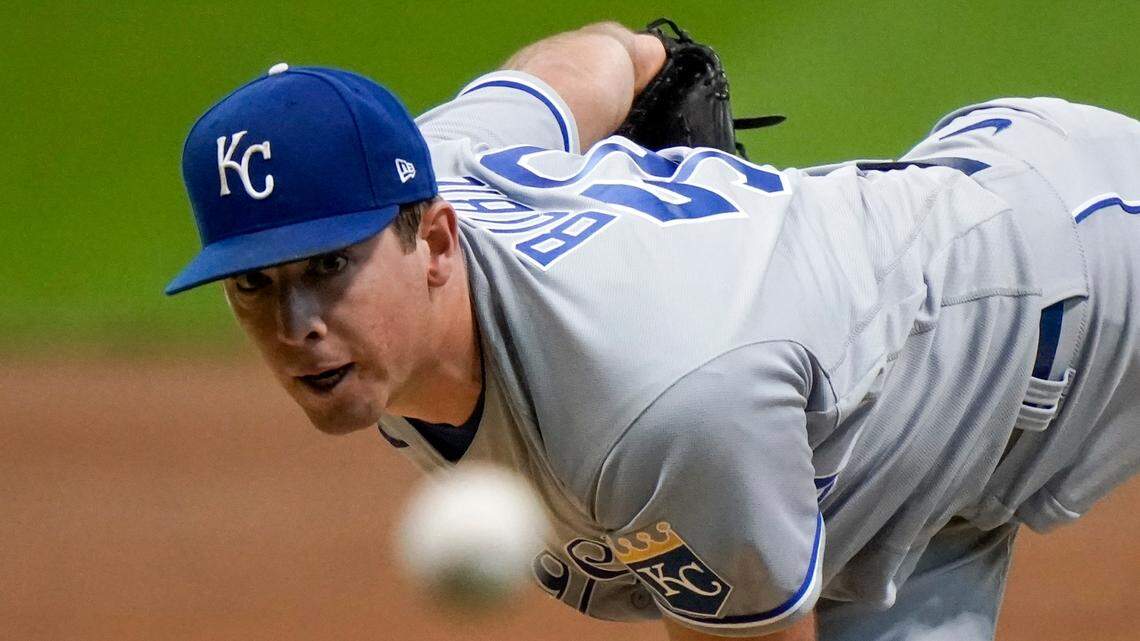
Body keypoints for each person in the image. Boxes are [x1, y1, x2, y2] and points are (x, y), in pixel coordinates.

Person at [165, 21, 1140, 641]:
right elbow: (577, 61)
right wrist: (653, 60)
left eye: (330, 266)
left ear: (433, 234)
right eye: (253, 284)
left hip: (1080, 258)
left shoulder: (659, 404)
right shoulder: (438, 157)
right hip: (898, 453)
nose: (298, 324)